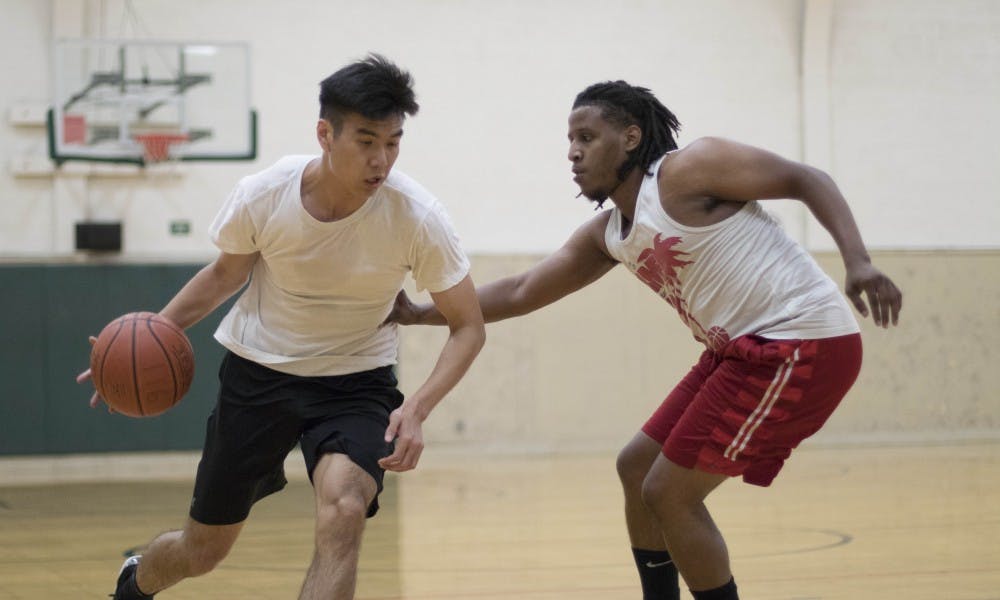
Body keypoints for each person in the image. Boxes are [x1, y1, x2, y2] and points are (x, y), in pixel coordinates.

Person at [388, 80, 902, 600]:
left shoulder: (689, 169)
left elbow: (805, 178)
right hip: (738, 351)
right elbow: (521, 290)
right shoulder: (610, 233)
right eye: (570, 140)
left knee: (669, 493)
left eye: (587, 137)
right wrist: (421, 313)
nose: (573, 151)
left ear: (631, 137)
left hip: (800, 342)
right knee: (636, 467)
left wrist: (858, 263)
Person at [76, 54, 485, 600]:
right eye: (365, 140)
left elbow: (468, 327)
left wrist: (417, 408)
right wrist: (140, 339)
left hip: (356, 383)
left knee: (344, 508)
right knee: (204, 550)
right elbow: (225, 276)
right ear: (325, 133)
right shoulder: (264, 194)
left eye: (392, 142)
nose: (380, 159)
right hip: (259, 375)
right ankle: (137, 579)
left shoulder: (417, 216)